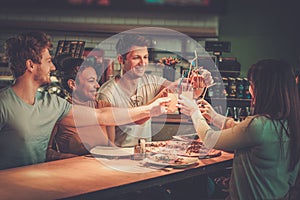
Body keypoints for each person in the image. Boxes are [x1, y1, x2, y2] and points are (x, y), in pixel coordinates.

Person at [0, 31, 170, 170]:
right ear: (31, 65)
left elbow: (101, 116)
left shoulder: (52, 104)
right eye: (48, 61)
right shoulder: (3, 104)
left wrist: (151, 109)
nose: (52, 67)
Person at [178, 58, 300, 199]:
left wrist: (194, 112)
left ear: (265, 89)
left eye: (252, 84)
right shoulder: (289, 124)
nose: (249, 90)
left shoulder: (258, 125)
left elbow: (210, 139)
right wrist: (215, 117)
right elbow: (242, 130)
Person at [98, 33, 214, 147]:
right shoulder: (107, 94)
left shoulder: (151, 81)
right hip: (121, 158)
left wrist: (199, 82)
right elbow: (108, 145)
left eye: (145, 57)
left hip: (145, 155)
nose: (143, 63)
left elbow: (181, 91)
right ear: (121, 59)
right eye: (136, 58)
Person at [46, 57, 115, 161]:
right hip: (73, 171)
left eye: (97, 80)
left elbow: (111, 147)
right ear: (72, 84)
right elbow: (46, 152)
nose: (97, 85)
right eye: (91, 81)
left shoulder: (104, 107)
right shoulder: (60, 112)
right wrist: (70, 158)